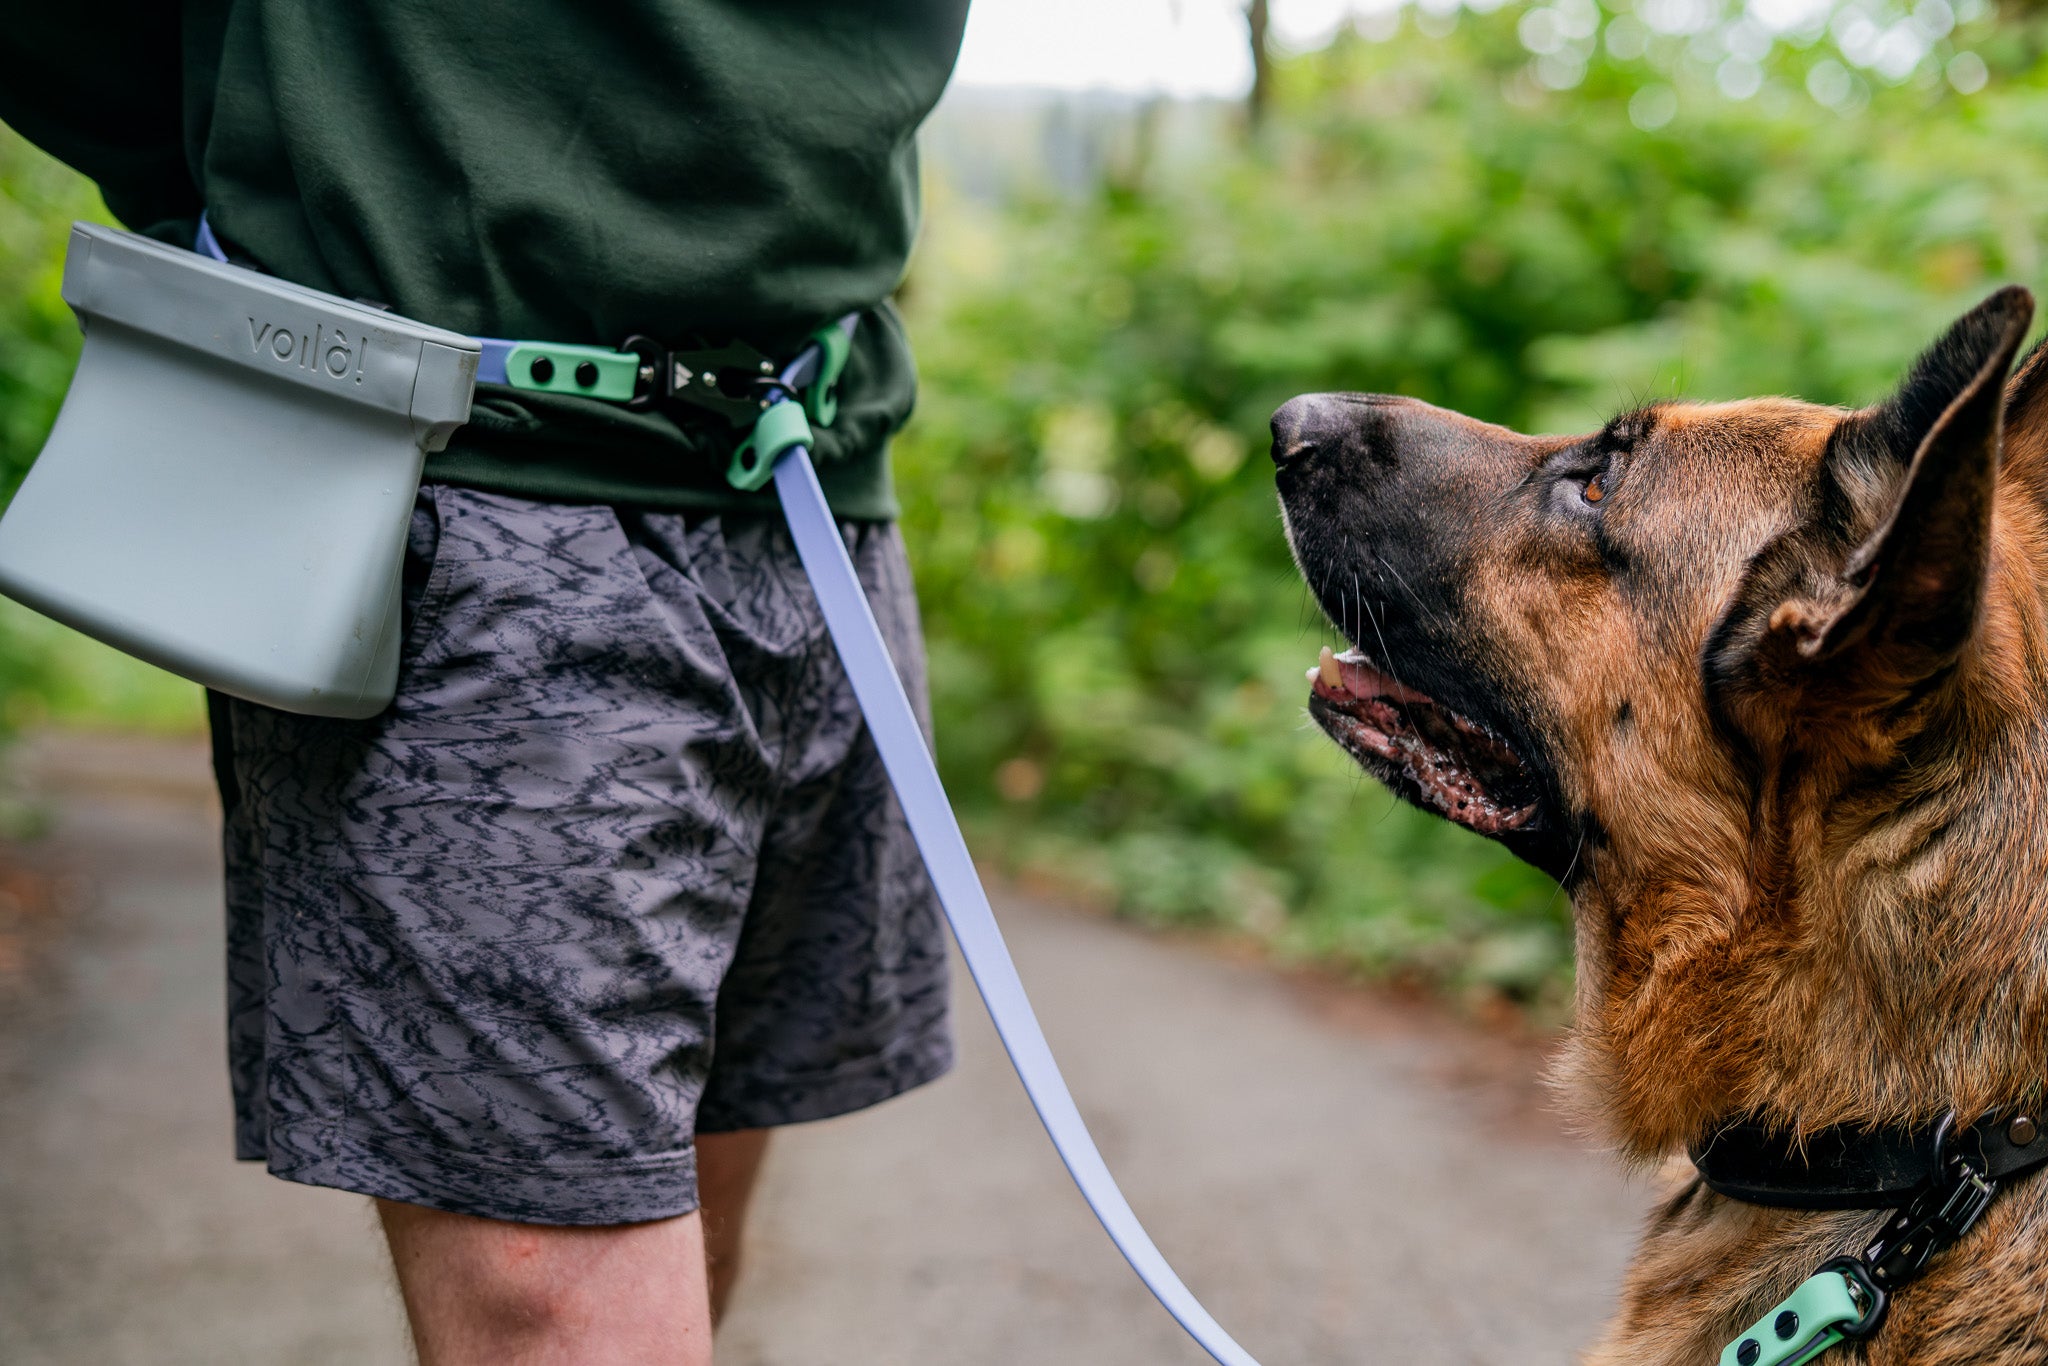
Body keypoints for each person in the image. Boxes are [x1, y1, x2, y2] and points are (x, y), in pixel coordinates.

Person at [0, 4, 971, 1360]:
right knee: (566, 1307)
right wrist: (301, 166)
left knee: (689, 1218)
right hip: (465, 475)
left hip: (818, 479)